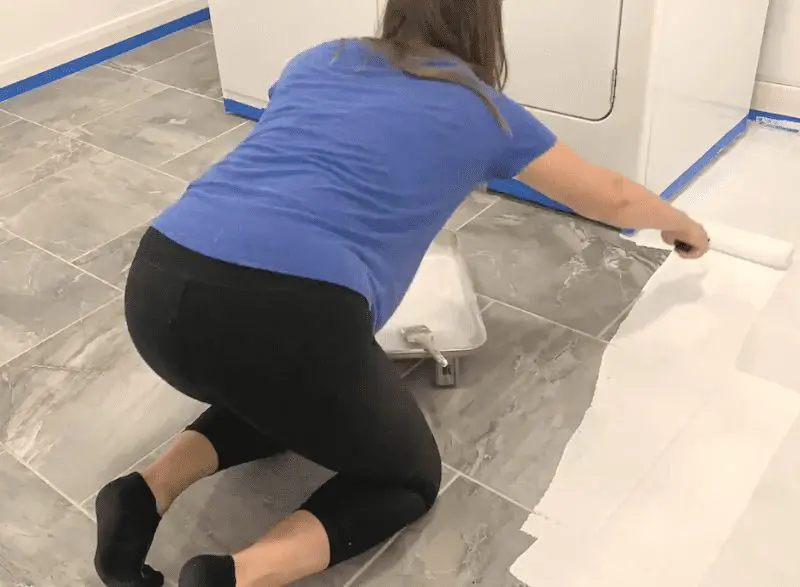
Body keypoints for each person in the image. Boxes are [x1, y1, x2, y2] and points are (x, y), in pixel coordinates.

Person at [92, 0, 710, 585]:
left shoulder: (320, 58)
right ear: (483, 21)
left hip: (158, 282)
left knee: (276, 392)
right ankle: (235, 575)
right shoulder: (484, 111)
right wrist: (683, 226)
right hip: (281, 317)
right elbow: (611, 195)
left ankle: (143, 492)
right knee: (408, 478)